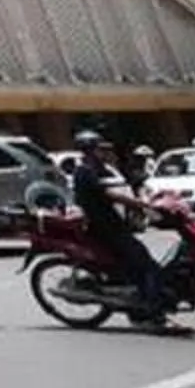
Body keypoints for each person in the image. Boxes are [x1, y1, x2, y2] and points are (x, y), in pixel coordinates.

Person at [70, 130, 174, 330]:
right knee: (147, 266)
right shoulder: (85, 171)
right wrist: (141, 205)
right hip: (104, 228)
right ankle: (153, 314)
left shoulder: (102, 169)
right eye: (100, 149)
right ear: (90, 150)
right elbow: (111, 195)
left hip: (114, 224)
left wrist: (155, 197)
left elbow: (128, 184)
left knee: (133, 267)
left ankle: (137, 311)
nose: (105, 152)